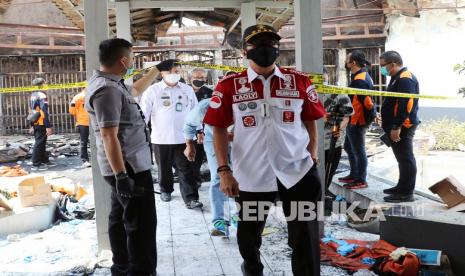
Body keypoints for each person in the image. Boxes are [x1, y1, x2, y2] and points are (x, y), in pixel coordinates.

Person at [204, 24, 326, 276]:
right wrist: (224, 170)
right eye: (258, 45)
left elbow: (310, 119)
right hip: (251, 174)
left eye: (271, 44)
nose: (265, 49)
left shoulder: (299, 81)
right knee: (249, 236)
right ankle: (252, 269)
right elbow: (217, 127)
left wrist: (312, 152)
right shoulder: (230, 86)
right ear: (245, 52)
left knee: (305, 236)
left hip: (298, 171)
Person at [85, 37, 176, 275]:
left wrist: (158, 69)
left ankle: (122, 267)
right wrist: (122, 176)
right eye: (132, 59)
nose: (133, 63)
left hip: (126, 166)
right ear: (124, 61)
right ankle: (141, 270)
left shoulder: (112, 83)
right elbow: (108, 136)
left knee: (119, 217)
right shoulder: (107, 90)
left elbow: (135, 89)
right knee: (142, 225)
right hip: (128, 168)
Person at [140, 62, 203, 209]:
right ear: (162, 74)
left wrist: (199, 130)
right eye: (170, 72)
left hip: (184, 138)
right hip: (161, 138)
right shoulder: (153, 91)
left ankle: (191, 198)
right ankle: (165, 190)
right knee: (164, 167)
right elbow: (144, 114)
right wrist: (140, 132)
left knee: (186, 168)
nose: (174, 74)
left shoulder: (187, 90)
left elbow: (195, 112)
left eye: (176, 71)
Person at [184, 97, 237, 236]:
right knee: (218, 177)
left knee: (242, 176)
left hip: (242, 139)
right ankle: (220, 220)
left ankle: (239, 215)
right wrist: (190, 144)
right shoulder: (204, 108)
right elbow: (189, 124)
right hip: (212, 140)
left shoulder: (242, 105)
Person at [379, 51, 420, 203]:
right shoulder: (397, 77)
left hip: (404, 126)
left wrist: (397, 126)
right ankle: (401, 187)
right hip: (397, 125)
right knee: (401, 159)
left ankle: (407, 193)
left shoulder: (405, 78)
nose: (382, 69)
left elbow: (406, 104)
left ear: (393, 64)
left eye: (383, 66)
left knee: (406, 158)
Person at [338, 50, 375, 189]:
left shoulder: (360, 80)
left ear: (353, 63)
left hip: (358, 121)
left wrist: (367, 118)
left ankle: (361, 179)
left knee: (359, 150)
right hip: (354, 119)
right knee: (348, 146)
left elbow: (367, 102)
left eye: (347, 59)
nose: (346, 62)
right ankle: (354, 174)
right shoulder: (360, 76)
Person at [189, 68, 213, 187]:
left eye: (202, 78)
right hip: (186, 129)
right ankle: (188, 178)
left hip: (203, 130)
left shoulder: (209, 92)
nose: (200, 80)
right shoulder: (184, 91)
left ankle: (195, 178)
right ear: (190, 78)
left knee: (198, 156)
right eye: (197, 77)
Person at [29, 78, 56, 171]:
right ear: (41, 84)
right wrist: (48, 126)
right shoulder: (42, 95)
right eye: (45, 83)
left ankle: (44, 160)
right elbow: (43, 111)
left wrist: (32, 125)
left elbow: (31, 110)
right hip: (41, 122)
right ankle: (36, 164)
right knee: (39, 143)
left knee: (41, 142)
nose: (46, 85)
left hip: (36, 122)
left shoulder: (33, 94)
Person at [69, 89, 91, 168]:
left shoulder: (77, 97)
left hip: (83, 122)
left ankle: (85, 160)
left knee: (83, 142)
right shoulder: (93, 94)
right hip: (94, 122)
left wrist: (79, 114)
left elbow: (72, 111)